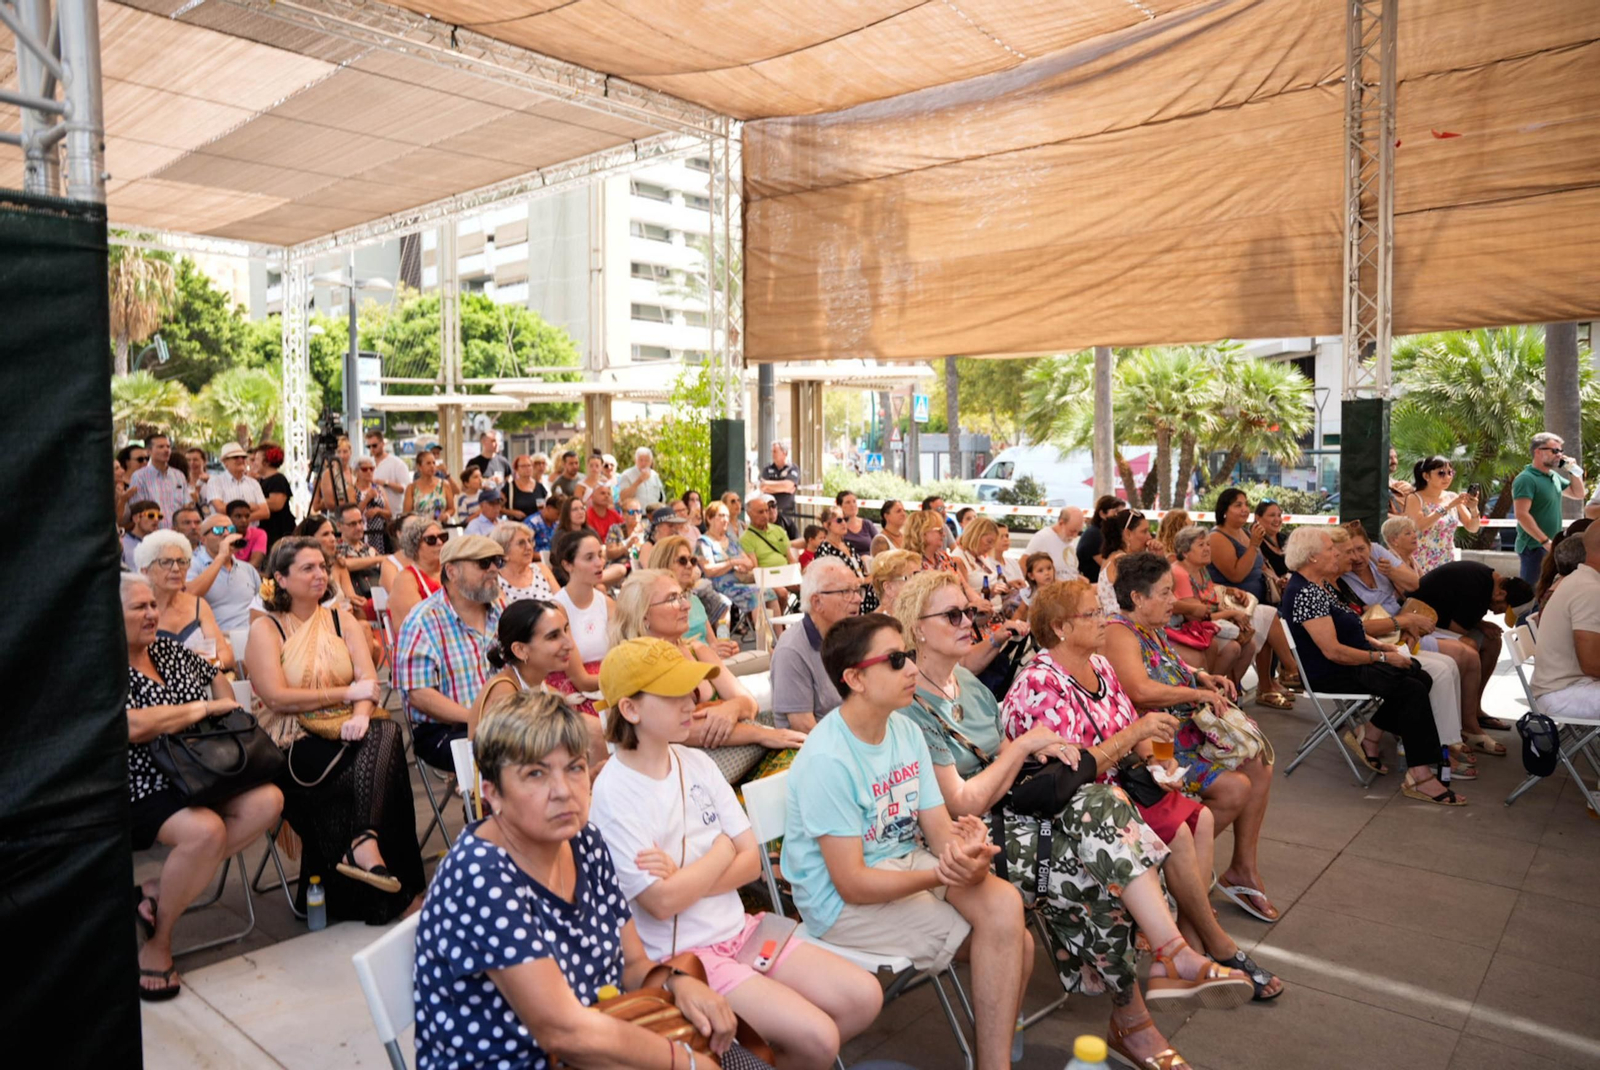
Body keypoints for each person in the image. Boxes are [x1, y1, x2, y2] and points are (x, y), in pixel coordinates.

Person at [590, 638, 883, 1069]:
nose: (691, 701)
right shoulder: (614, 793)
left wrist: (685, 877)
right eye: (672, 694)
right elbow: (662, 901)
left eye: (690, 689)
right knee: (819, 1036)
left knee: (863, 998)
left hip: (740, 930)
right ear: (630, 710)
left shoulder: (695, 762)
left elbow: (750, 863)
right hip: (685, 958)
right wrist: (720, 851)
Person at [411, 691, 743, 1070]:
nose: (564, 791)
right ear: (492, 794)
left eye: (574, 767)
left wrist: (675, 982)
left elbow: (632, 964)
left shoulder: (584, 841)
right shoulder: (479, 875)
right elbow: (562, 1031)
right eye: (535, 774)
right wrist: (683, 1062)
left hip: (603, 1035)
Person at [999, 578, 1274, 1005]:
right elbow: (1072, 771)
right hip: (1078, 807)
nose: (1103, 619)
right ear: (1060, 628)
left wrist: (1158, 761)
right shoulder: (1039, 683)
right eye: (1092, 613)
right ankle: (1212, 948)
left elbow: (1132, 726)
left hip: (1121, 786)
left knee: (1200, 818)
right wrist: (1137, 737)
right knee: (1181, 828)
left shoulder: (1100, 666)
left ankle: (1188, 949)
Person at [783, 612, 1032, 1070]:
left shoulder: (905, 730)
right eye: (896, 660)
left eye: (909, 655)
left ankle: (994, 1059)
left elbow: (938, 834)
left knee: (1005, 910)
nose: (913, 668)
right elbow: (851, 883)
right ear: (855, 679)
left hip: (901, 862)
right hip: (838, 902)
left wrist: (967, 848)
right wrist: (941, 873)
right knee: (1010, 942)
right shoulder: (828, 759)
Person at [122, 574, 283, 1002]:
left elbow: (216, 676)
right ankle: (159, 942)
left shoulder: (169, 651)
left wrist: (224, 712)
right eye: (139, 607)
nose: (152, 614)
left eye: (152, 606)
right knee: (205, 832)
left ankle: (159, 889)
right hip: (143, 783)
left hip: (201, 768)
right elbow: (132, 726)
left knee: (269, 800)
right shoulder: (101, 666)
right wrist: (201, 709)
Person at [1101, 554, 1285, 927]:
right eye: (1165, 592)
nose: (1174, 600)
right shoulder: (1120, 632)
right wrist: (1197, 694)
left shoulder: (1149, 627)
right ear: (1137, 597)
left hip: (1182, 736)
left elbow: (1170, 665)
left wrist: (1200, 676)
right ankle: (1176, 871)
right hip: (1155, 747)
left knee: (1259, 762)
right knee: (1235, 788)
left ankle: (1242, 869)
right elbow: (1139, 690)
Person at [247, 537, 425, 922]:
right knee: (382, 761)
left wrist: (360, 714)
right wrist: (347, 694)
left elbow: (368, 682)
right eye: (307, 568)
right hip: (293, 737)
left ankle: (364, 845)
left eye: (322, 567)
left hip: (347, 725)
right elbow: (277, 698)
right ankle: (399, 892)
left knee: (383, 735)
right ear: (280, 578)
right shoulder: (267, 629)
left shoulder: (343, 620)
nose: (319, 575)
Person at [1279, 527, 1461, 803]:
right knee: (1411, 689)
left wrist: (1382, 646)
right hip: (1330, 672)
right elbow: (1333, 651)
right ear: (1312, 556)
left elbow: (1350, 628)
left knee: (1419, 677)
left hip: (1350, 661)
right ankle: (1420, 774)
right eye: (1330, 549)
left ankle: (1370, 735)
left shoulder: (1320, 585)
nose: (1337, 553)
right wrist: (1383, 657)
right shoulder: (1305, 592)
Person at [612, 570, 801, 759]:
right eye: (672, 599)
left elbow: (750, 704)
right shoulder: (636, 667)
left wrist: (730, 709)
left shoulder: (698, 651)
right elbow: (680, 729)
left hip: (736, 757)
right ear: (644, 615)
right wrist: (761, 734)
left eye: (683, 596)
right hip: (688, 767)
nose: (686, 605)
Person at [1341, 522, 1479, 775]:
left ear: (1370, 546)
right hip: (1377, 645)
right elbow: (1352, 631)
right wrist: (1402, 625)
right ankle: (1436, 748)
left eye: (1360, 549)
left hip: (1395, 635)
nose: (1356, 557)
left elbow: (1415, 584)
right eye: (1348, 552)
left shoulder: (1376, 556)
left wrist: (1393, 578)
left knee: (1448, 664)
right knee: (1436, 671)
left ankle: (1446, 739)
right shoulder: (1337, 578)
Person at [393, 533, 505, 771]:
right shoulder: (423, 620)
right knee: (512, 750)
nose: (494, 569)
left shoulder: (502, 610)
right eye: (484, 563)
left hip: (506, 718)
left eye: (498, 561)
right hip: (447, 727)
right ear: (452, 572)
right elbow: (419, 695)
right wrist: (475, 717)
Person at [468, 598, 607, 773]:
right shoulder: (505, 691)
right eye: (553, 636)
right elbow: (507, 767)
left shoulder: (540, 685)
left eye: (566, 630)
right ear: (520, 650)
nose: (570, 644)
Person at [1410, 559, 1534, 743]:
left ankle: (1474, 708)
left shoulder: (1486, 582)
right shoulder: (1477, 589)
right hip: (1417, 626)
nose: (1497, 613)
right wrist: (1480, 625)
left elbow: (1459, 615)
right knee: (1469, 648)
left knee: (1492, 641)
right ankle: (1462, 718)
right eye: (1502, 608)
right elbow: (1457, 629)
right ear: (1502, 593)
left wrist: (1480, 624)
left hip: (1435, 622)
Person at [770, 558, 861, 733]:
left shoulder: (851, 636)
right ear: (817, 602)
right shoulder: (791, 651)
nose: (858, 598)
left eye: (857, 590)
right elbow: (804, 727)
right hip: (822, 744)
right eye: (846, 592)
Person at [137, 530, 235, 671]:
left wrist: (212, 664)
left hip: (203, 679)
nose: (176, 569)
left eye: (182, 562)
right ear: (145, 570)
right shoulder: (136, 611)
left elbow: (225, 653)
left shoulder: (198, 605)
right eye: (166, 562)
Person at [1531, 524, 1600, 716]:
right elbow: (1591, 664)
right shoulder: (1589, 589)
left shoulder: (1583, 580)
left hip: (1570, 687)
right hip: (1564, 692)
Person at [546, 529, 615, 718]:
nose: (599, 563)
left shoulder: (607, 603)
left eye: (600, 555)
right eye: (589, 558)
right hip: (574, 696)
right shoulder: (558, 610)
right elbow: (581, 681)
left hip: (607, 687)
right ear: (568, 565)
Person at [1513, 431, 1588, 586]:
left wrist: (1573, 470)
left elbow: (1579, 494)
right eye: (1554, 450)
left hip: (1552, 546)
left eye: (1561, 451)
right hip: (1535, 547)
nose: (1559, 455)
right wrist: (1544, 541)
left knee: (1548, 591)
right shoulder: (1526, 479)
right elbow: (1521, 514)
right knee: (1532, 593)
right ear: (1538, 451)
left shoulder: (1553, 476)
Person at [648, 537, 736, 656]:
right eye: (682, 560)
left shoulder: (694, 599)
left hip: (709, 661)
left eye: (692, 560)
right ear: (664, 563)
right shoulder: (659, 606)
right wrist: (708, 653)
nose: (689, 565)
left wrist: (725, 649)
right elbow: (667, 654)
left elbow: (713, 643)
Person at [1404, 456, 1482, 574]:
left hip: (1447, 560)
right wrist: (1448, 506)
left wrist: (1473, 508)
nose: (1447, 477)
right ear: (1426, 476)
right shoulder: (1414, 498)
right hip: (1421, 560)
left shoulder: (1452, 497)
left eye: (1450, 472)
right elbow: (1420, 526)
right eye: (1441, 473)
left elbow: (1473, 527)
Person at [697, 502, 770, 625]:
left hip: (739, 582)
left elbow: (749, 562)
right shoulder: (704, 542)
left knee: (769, 592)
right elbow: (709, 570)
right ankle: (727, 636)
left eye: (727, 516)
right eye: (721, 516)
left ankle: (776, 634)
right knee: (754, 595)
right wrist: (732, 563)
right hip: (717, 586)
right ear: (709, 518)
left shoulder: (731, 540)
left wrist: (743, 566)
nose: (726, 520)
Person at [186, 513, 258, 632]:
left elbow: (262, 606)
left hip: (250, 635)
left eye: (231, 529)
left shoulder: (248, 569)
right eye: (218, 530)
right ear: (203, 540)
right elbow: (188, 595)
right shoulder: (193, 565)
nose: (226, 534)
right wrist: (221, 557)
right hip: (215, 636)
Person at [815, 505, 878, 612]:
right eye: (839, 520)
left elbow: (859, 571)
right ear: (826, 525)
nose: (844, 523)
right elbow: (832, 581)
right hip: (845, 598)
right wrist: (863, 580)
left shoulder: (848, 545)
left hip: (862, 593)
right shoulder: (825, 549)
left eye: (845, 519)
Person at [385, 515, 445, 629]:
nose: (440, 542)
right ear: (414, 546)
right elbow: (412, 627)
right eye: (431, 540)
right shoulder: (405, 580)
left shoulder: (451, 571)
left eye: (443, 537)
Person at [130, 432, 189, 530]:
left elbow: (186, 505)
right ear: (148, 451)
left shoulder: (179, 475)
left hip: (177, 532)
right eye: (161, 447)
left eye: (168, 447)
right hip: (153, 532)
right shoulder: (139, 477)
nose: (166, 450)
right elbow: (138, 509)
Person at [492, 520, 559, 605]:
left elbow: (563, 604)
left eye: (529, 541)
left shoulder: (542, 569)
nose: (529, 547)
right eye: (521, 543)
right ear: (504, 552)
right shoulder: (495, 580)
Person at [335, 502, 384, 607]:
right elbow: (343, 564)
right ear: (339, 526)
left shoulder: (370, 549)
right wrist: (379, 559)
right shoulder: (335, 549)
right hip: (353, 604)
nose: (359, 527)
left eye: (360, 522)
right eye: (352, 524)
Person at [206, 442, 266, 521]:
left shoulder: (253, 483)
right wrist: (250, 506)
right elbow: (220, 508)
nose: (241, 460)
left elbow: (265, 512)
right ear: (225, 462)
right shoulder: (215, 482)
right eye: (235, 457)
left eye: (243, 457)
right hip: (225, 529)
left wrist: (240, 519)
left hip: (251, 528)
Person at [1076, 495, 1127, 583]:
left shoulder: (1098, 533)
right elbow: (1110, 566)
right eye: (1116, 512)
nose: (1120, 517)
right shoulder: (1094, 535)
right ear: (1102, 514)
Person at [253, 443, 295, 550]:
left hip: (278, 532)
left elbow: (276, 504)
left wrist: (253, 503)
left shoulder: (278, 480)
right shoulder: (260, 481)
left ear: (266, 462)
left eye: (257, 459)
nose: (254, 463)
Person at [1025, 506, 1084, 580]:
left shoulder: (1068, 540)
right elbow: (1023, 565)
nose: (1075, 536)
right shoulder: (1043, 537)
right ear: (1061, 523)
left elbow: (1067, 570)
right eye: (1072, 531)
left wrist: (1078, 578)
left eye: (1078, 532)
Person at [740, 494, 796, 568]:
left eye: (766, 511)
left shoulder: (778, 530)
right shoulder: (746, 538)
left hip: (786, 571)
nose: (765, 515)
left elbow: (791, 559)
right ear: (749, 514)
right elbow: (755, 569)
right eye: (760, 512)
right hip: (765, 573)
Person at [349, 458, 392, 554]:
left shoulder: (379, 489)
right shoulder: (352, 490)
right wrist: (367, 499)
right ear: (357, 472)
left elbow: (389, 513)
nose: (369, 472)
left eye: (371, 469)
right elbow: (351, 514)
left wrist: (378, 511)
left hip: (378, 534)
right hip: (361, 533)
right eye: (364, 469)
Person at [364, 430, 411, 516]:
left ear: (382, 444)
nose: (371, 449)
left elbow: (406, 489)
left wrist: (385, 483)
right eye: (368, 446)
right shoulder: (368, 463)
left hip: (394, 515)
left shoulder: (397, 463)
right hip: (373, 517)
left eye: (374, 445)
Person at [760, 441, 802, 537]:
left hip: (787, 513)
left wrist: (770, 486)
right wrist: (783, 488)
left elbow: (788, 485)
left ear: (784, 453)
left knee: (789, 540)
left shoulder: (792, 468)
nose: (773, 454)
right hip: (770, 514)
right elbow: (763, 487)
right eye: (772, 451)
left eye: (775, 451)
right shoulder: (767, 469)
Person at [401, 448, 451, 523]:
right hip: (419, 527)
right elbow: (406, 514)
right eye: (428, 463)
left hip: (441, 526)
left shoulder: (444, 484)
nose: (432, 466)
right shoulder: (411, 488)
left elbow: (451, 508)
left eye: (434, 463)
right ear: (419, 467)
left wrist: (446, 515)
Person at [311, 436, 358, 514]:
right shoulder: (328, 474)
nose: (342, 456)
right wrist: (350, 500)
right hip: (337, 517)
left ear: (350, 452)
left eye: (345, 451)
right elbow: (328, 504)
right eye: (338, 452)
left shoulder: (355, 472)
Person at [869, 548, 921, 615]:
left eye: (918, 576)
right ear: (888, 588)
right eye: (910, 578)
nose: (919, 583)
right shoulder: (878, 621)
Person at [615, 446, 666, 511]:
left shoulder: (654, 475)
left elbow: (662, 498)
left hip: (654, 514)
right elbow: (623, 497)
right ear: (635, 460)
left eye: (647, 460)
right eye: (641, 460)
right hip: (635, 514)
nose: (643, 463)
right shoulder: (627, 474)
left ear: (651, 462)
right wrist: (639, 481)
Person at [1254, 499, 1288, 595]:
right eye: (1272, 515)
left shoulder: (1285, 538)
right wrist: (1278, 580)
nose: (1277, 519)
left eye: (1279, 515)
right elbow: (1263, 568)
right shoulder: (1253, 541)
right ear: (1258, 518)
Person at [835, 490, 880, 557]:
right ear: (840, 506)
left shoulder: (867, 524)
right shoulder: (837, 526)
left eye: (854, 501)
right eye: (848, 502)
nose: (852, 505)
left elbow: (880, 544)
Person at [505, 453, 547, 521]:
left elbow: (547, 506)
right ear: (516, 469)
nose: (527, 468)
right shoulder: (510, 487)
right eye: (523, 466)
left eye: (529, 465)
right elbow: (499, 508)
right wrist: (513, 512)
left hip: (536, 525)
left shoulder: (540, 487)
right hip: (517, 525)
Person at [123, 499, 163, 570]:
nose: (156, 519)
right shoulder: (122, 543)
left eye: (159, 516)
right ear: (136, 518)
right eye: (151, 515)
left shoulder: (161, 544)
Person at [526, 493, 562, 558]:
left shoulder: (557, 523)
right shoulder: (531, 523)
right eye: (558, 514)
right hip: (538, 560)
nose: (559, 518)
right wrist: (546, 557)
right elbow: (524, 550)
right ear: (549, 508)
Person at [1388, 446, 1415, 516]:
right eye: (1389, 458)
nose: (1394, 461)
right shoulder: (1371, 485)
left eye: (1395, 457)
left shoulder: (1401, 485)